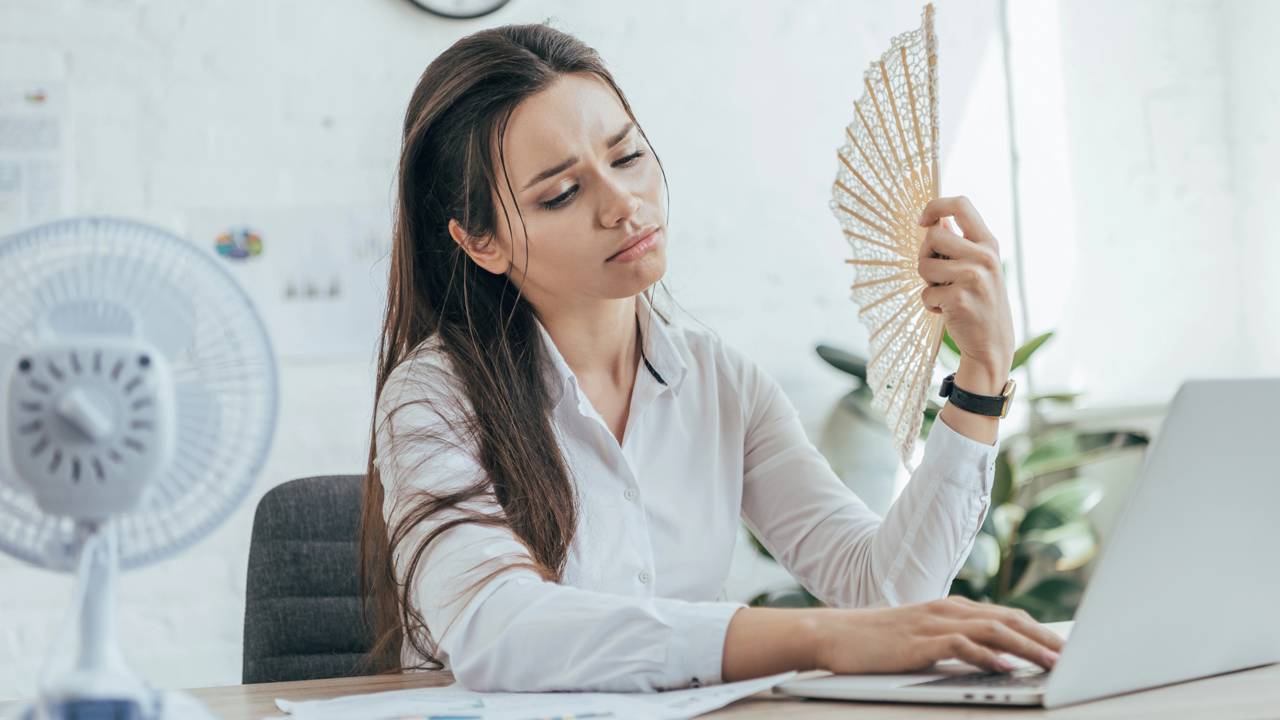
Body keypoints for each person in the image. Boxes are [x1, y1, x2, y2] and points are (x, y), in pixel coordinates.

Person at [358, 22, 1063, 693]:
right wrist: (812, 638)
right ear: (483, 242)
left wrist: (981, 376)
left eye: (628, 156)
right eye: (563, 193)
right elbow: (497, 628)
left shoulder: (722, 384)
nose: (624, 204)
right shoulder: (434, 397)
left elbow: (884, 590)